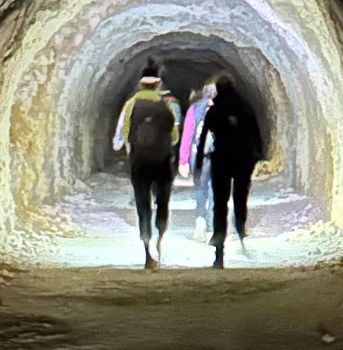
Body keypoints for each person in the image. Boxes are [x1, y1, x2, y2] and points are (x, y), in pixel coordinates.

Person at [112, 61, 180, 268]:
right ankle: (160, 238)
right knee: (162, 202)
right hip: (161, 161)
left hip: (139, 162)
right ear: (158, 84)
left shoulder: (131, 104)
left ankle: (146, 249)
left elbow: (119, 138)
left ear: (141, 84)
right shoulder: (165, 105)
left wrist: (129, 148)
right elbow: (175, 136)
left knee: (143, 204)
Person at [193, 78, 263, 268]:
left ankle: (219, 247)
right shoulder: (245, 108)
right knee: (240, 197)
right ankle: (240, 228)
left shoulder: (215, 110)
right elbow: (256, 134)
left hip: (221, 159)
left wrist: (199, 162)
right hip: (243, 160)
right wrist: (258, 155)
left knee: (220, 202)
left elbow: (204, 137)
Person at [178, 81, 216, 241]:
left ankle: (200, 221)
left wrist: (183, 160)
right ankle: (211, 229)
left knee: (200, 190)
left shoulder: (194, 109)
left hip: (197, 155)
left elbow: (187, 135)